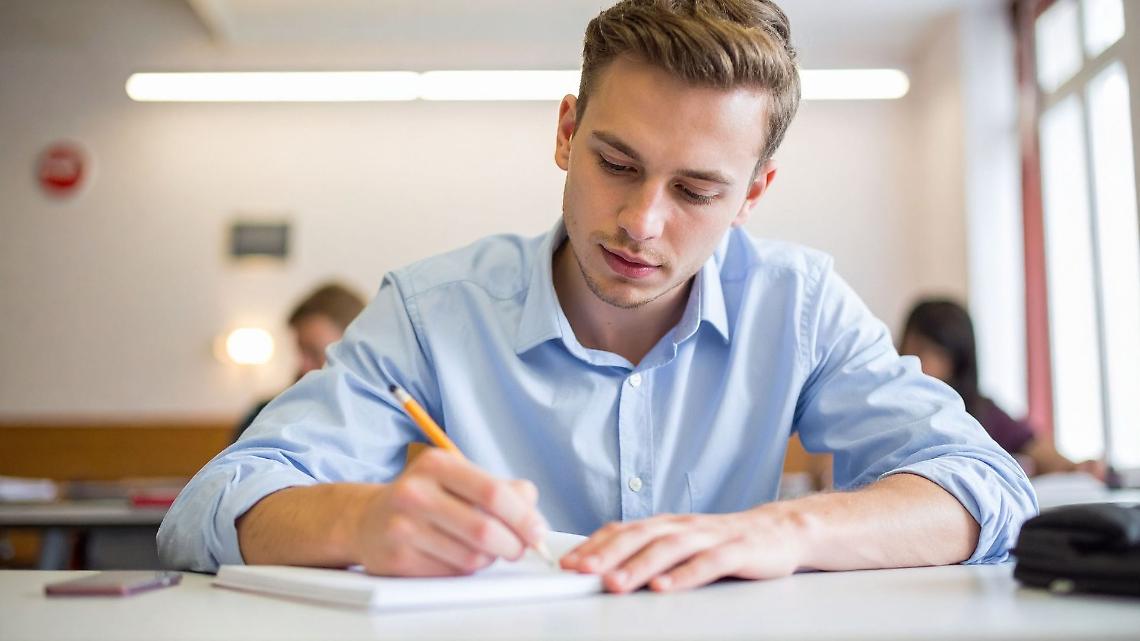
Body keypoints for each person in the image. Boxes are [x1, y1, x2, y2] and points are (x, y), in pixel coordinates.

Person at [159, 0, 1037, 594]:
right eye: (616, 164)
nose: (641, 223)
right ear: (566, 131)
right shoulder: (432, 313)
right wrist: (358, 518)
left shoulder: (798, 302)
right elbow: (209, 505)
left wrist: (788, 531)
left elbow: (986, 483)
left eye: (696, 191)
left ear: (754, 194)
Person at [899, 298, 1105, 479]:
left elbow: (1036, 448)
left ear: (959, 362)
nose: (919, 361)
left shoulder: (980, 411)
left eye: (935, 353)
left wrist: (1075, 468)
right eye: (915, 347)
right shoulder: (892, 408)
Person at [232, 282, 366, 440]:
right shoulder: (264, 416)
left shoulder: (385, 425)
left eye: (314, 353)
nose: (303, 366)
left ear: (355, 351)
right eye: (300, 349)